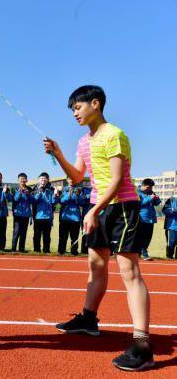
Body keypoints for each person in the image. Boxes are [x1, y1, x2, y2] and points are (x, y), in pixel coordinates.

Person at [44, 85, 153, 370]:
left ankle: (142, 346)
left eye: (78, 108)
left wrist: (93, 210)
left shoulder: (114, 135)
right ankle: (88, 319)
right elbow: (78, 177)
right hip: (100, 207)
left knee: (129, 271)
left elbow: (118, 180)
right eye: (73, 110)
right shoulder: (83, 142)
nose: (75, 114)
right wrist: (58, 154)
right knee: (96, 265)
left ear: (95, 103)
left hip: (122, 207)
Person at [137, 179, 160, 261]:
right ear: (142, 185)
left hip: (151, 219)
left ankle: (143, 252)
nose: (149, 189)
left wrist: (156, 199)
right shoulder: (137, 193)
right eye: (148, 187)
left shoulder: (151, 192)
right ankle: (142, 253)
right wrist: (150, 198)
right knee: (141, 237)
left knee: (148, 237)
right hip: (141, 218)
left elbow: (157, 203)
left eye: (151, 188)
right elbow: (139, 204)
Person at [58, 178, 82, 255]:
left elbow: (82, 203)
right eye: (70, 178)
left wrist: (77, 196)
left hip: (75, 218)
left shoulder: (79, 190)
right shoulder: (63, 190)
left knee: (74, 237)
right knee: (63, 237)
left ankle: (74, 251)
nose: (71, 180)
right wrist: (69, 195)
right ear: (67, 180)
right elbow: (61, 201)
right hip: (64, 217)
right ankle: (61, 251)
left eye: (73, 179)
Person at [32, 172, 56, 253]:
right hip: (38, 217)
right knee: (37, 235)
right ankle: (36, 250)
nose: (43, 180)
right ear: (38, 180)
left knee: (47, 236)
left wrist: (55, 196)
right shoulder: (34, 189)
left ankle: (46, 250)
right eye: (42, 178)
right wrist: (39, 192)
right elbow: (34, 201)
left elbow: (53, 202)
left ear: (48, 180)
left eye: (45, 178)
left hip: (48, 217)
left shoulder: (51, 190)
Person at [11, 173, 33, 253]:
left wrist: (27, 194)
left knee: (23, 232)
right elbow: (15, 200)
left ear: (27, 180)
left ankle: (21, 249)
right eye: (21, 179)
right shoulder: (14, 189)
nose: (23, 180)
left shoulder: (30, 189)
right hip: (17, 214)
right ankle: (13, 249)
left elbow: (32, 201)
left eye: (24, 179)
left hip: (26, 214)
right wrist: (19, 193)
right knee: (16, 232)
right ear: (18, 180)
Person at [78, 186, 92, 255]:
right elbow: (80, 203)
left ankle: (94, 250)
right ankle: (84, 250)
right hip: (85, 215)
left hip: (97, 215)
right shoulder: (83, 190)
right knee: (85, 233)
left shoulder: (99, 189)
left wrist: (87, 198)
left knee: (95, 234)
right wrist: (84, 198)